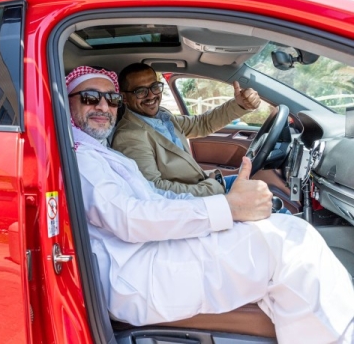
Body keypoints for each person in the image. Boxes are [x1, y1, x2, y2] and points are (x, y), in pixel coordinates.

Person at [66, 65, 354, 343]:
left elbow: (159, 188)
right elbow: (132, 217)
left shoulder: (103, 148)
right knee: (292, 244)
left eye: (110, 99)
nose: (103, 107)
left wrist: (225, 207)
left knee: (287, 233)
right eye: (91, 98)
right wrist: (224, 206)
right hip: (138, 272)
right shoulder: (84, 158)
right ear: (66, 104)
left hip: (152, 247)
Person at [112, 63, 259, 197]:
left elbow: (202, 123)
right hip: (193, 202)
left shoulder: (163, 115)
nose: (151, 95)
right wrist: (212, 187)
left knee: (260, 189)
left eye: (155, 87)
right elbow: (154, 188)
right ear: (124, 98)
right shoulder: (130, 136)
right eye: (140, 91)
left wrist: (240, 105)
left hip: (202, 186)